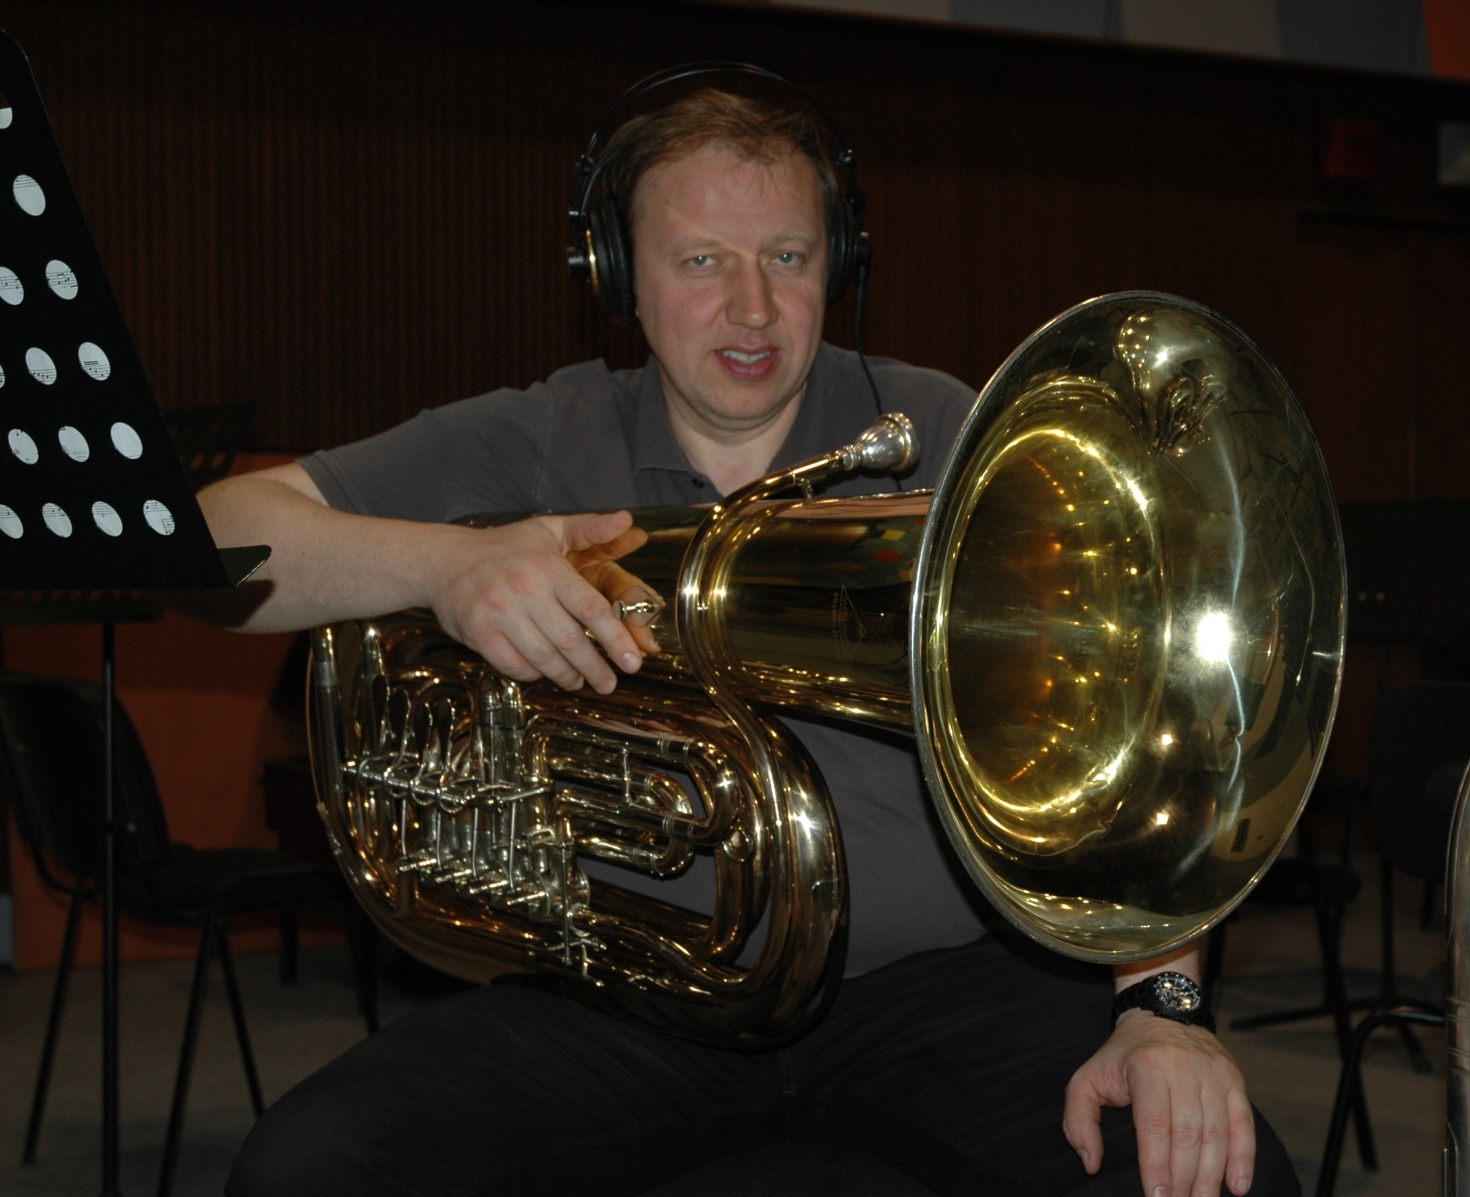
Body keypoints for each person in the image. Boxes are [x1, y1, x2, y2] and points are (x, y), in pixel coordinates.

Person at [202, 82, 1300, 1197]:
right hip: (627, 994)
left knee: (1219, 1181)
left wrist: (1163, 1011)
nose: (753, 308)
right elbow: (215, 538)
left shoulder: (957, 436)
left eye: (787, 256)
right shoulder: (541, 434)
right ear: (618, 279)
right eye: (700, 261)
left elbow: (1150, 725)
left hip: (942, 988)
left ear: (838, 266)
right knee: (309, 1168)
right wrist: (444, 567)